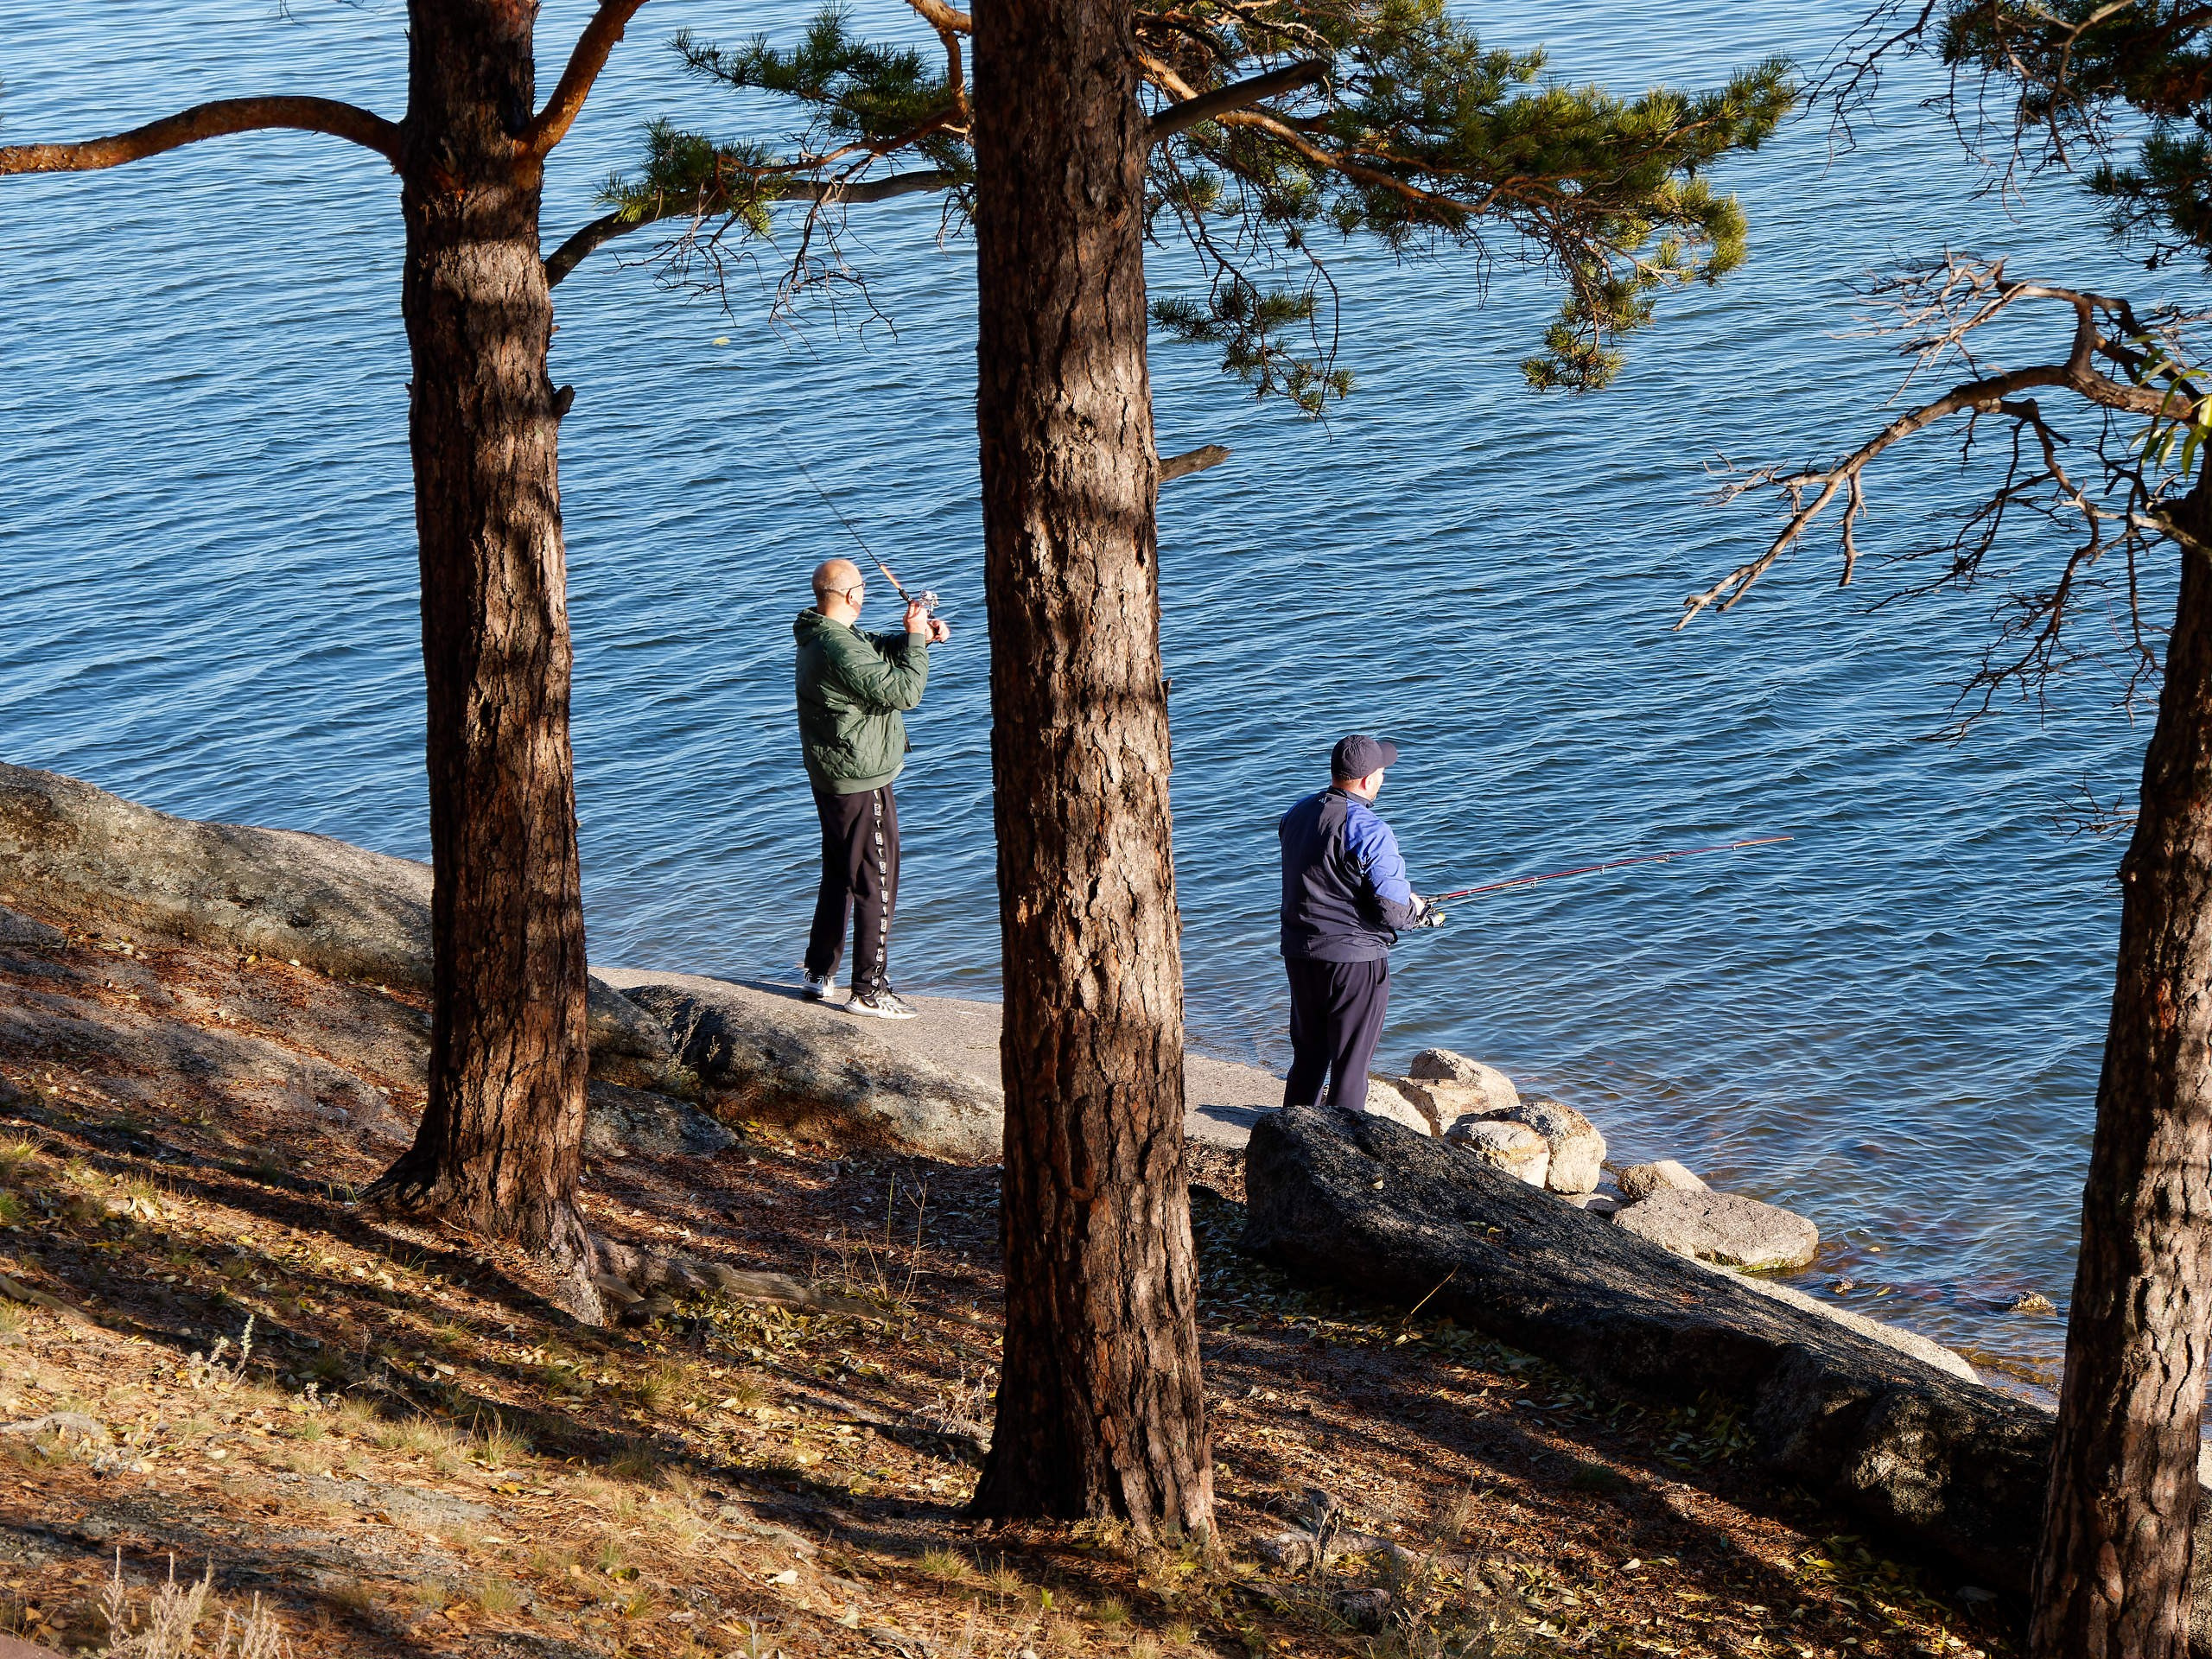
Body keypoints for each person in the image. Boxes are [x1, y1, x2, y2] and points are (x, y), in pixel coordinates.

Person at [793, 556, 950, 1019]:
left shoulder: (825, 633)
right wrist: (917, 642)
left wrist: (914, 638)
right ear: (850, 596)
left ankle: (819, 971)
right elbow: (906, 694)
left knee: (841, 871)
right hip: (860, 778)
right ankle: (869, 988)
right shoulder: (837, 647)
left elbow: (871, 648)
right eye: (863, 587)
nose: (866, 593)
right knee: (877, 881)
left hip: (834, 773)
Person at [1277, 734, 1445, 1109]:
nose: (1383, 778)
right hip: (1355, 961)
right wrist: (1415, 914)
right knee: (1351, 1064)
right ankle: (1343, 1148)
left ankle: (1290, 1136)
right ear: (1369, 780)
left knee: (1308, 1055)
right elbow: (1390, 908)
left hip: (1300, 952)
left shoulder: (1297, 814)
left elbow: (1325, 878)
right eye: (1382, 772)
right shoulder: (1371, 829)